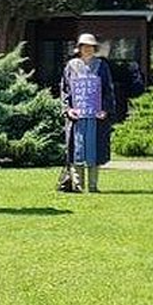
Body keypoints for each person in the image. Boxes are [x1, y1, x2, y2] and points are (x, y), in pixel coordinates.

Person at [60, 33, 116, 193]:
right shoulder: (71, 66)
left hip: (95, 117)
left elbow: (108, 90)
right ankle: (77, 185)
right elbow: (65, 90)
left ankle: (93, 185)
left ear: (94, 48)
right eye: (84, 46)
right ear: (79, 48)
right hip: (77, 117)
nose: (87, 49)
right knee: (77, 149)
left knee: (94, 150)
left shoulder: (102, 66)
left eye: (90, 47)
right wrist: (67, 109)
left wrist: (105, 109)